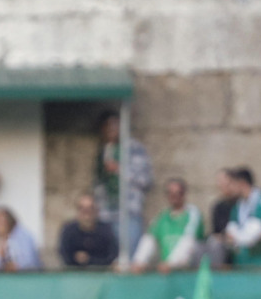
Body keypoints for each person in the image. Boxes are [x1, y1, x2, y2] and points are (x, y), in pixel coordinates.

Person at [92, 110, 153, 253]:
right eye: (107, 126)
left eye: (115, 125)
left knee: (129, 258)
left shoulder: (134, 148)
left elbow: (145, 180)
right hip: (105, 215)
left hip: (128, 214)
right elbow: (98, 183)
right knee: (108, 258)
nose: (111, 129)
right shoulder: (103, 151)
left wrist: (119, 169)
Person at [131, 178, 203, 274]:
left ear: (184, 194)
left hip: (189, 271)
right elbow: (149, 240)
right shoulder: (162, 217)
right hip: (167, 272)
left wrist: (171, 263)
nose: (174, 197)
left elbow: (189, 240)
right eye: (171, 193)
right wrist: (139, 261)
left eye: (178, 193)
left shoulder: (193, 214)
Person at [223, 167, 261, 268]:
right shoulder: (237, 207)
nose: (230, 188)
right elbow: (231, 232)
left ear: (242, 183)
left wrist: (239, 238)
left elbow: (257, 233)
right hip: (242, 264)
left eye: (232, 184)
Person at [59, 194, 118, 268]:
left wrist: (90, 260)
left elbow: (112, 257)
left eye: (90, 208)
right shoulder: (69, 230)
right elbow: (64, 255)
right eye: (82, 209)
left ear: (96, 210)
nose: (86, 213)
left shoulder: (106, 230)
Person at [0, 206, 40, 272]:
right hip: (2, 277)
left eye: (1, 222)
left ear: (9, 222)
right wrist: (1, 242)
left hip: (28, 275)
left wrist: (14, 266)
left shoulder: (23, 235)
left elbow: (28, 261)